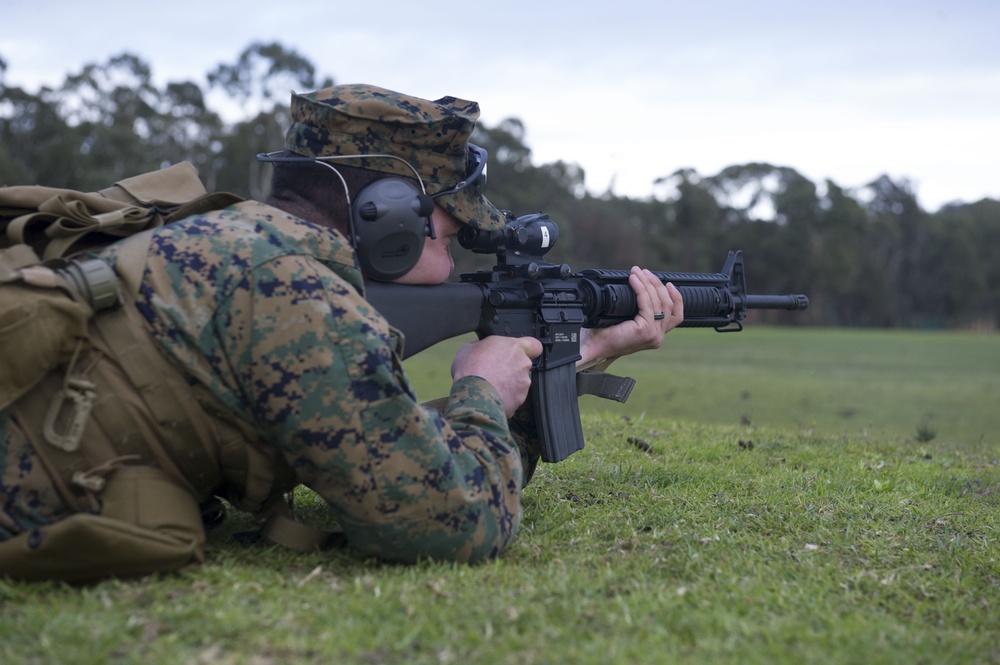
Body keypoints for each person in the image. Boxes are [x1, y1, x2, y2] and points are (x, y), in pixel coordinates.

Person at [0, 84, 683, 576]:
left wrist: (586, 352)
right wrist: (479, 388)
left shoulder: (237, 240)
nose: (457, 253)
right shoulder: (299, 291)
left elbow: (372, 437)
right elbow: (447, 520)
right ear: (390, 216)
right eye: (451, 228)